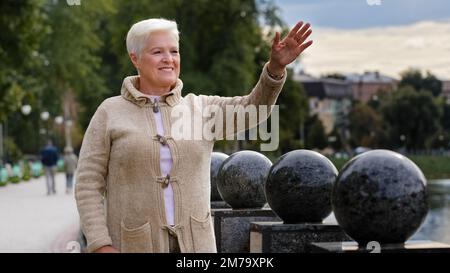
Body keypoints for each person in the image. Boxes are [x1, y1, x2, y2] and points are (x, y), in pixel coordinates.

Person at [75, 18, 313, 253]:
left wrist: (275, 69)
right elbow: (88, 184)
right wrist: (100, 244)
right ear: (134, 58)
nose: (168, 59)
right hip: (131, 245)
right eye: (157, 52)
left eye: (174, 51)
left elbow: (254, 109)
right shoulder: (110, 112)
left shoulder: (201, 109)